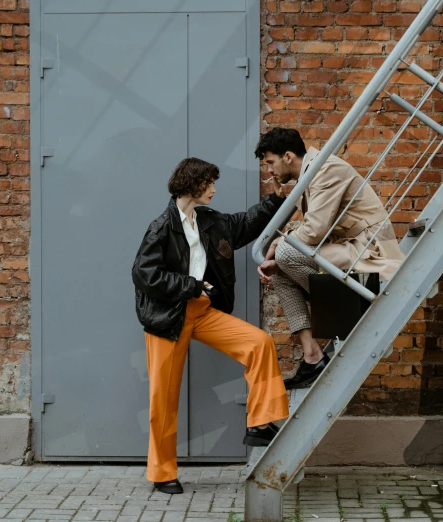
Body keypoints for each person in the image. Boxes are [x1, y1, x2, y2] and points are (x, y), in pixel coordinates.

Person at [132, 157, 289, 495]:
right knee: (164, 399)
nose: (215, 190)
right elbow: (144, 275)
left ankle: (260, 421)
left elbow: (245, 223)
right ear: (193, 186)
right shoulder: (162, 227)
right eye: (210, 184)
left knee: (258, 342)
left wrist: (275, 199)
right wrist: (189, 286)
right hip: (169, 319)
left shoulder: (209, 221)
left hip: (202, 311)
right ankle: (162, 473)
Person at [255, 128, 405, 389]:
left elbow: (313, 231)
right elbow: (312, 231)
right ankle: (313, 356)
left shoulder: (325, 169)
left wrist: (282, 238)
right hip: (346, 249)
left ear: (288, 156)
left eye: (270, 162)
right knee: (277, 269)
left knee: (285, 252)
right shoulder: (308, 176)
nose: (269, 171)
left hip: (367, 249)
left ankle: (342, 301)